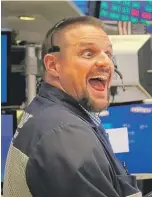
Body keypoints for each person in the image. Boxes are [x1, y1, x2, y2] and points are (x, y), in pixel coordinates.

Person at [3, 16, 141, 197]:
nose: (106, 63)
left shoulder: (53, 114)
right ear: (53, 65)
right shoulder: (65, 134)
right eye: (88, 53)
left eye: (108, 54)